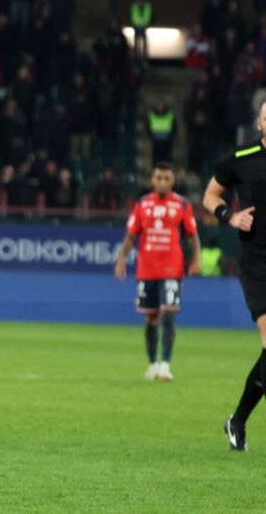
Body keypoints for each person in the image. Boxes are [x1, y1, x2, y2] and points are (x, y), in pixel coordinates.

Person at [204, 99, 266, 451]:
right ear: (259, 123)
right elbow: (211, 196)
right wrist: (230, 216)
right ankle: (238, 421)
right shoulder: (240, 159)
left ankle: (238, 420)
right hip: (258, 261)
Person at [114, 162, 200, 382]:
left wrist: (196, 260)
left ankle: (165, 365)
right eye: (158, 178)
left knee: (169, 313)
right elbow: (132, 236)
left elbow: (192, 236)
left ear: (173, 181)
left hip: (172, 267)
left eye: (166, 178)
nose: (162, 182)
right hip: (147, 269)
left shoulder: (182, 204)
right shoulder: (142, 204)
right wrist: (122, 258)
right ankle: (152, 364)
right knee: (151, 317)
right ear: (152, 180)